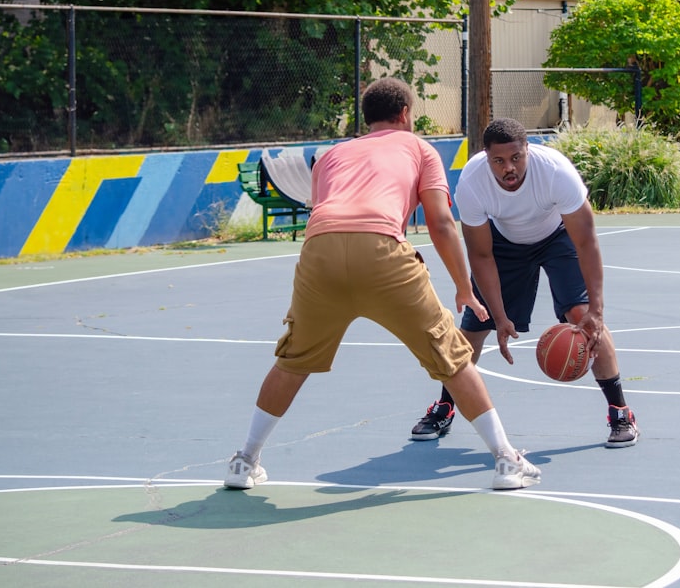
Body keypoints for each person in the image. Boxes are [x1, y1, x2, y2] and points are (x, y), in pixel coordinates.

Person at [224, 78, 540, 492]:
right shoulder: (420, 149)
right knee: (454, 357)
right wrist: (464, 288)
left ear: (367, 117)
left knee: (292, 360)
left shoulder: (332, 156)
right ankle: (505, 460)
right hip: (381, 251)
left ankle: (244, 461)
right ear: (405, 114)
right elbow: (441, 222)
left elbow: (330, 215)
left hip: (320, 251)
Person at [409, 117, 639, 448]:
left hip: (558, 237)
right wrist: (500, 316)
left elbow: (586, 241)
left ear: (527, 150)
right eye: (499, 161)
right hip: (504, 245)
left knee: (582, 315)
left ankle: (620, 411)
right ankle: (446, 405)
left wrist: (598, 310)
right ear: (486, 157)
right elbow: (481, 256)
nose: (509, 168)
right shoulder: (473, 183)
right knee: (476, 322)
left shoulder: (556, 172)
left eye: (516, 157)